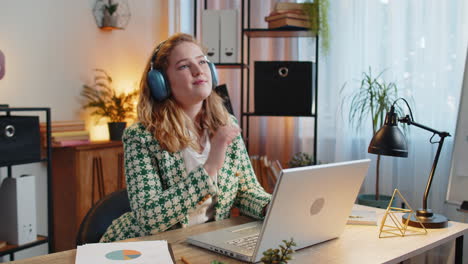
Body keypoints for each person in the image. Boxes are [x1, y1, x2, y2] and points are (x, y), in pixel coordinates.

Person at [100, 33, 271, 242]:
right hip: (142, 247)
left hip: (204, 242)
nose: (199, 71)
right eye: (184, 66)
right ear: (160, 82)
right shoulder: (141, 137)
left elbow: (245, 192)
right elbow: (149, 218)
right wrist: (209, 168)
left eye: (202, 62)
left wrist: (269, 206)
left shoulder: (227, 125)